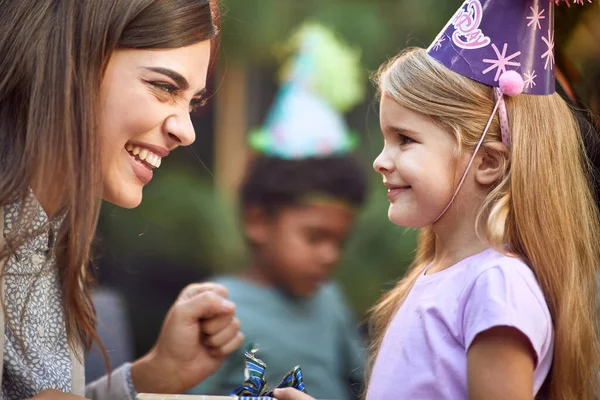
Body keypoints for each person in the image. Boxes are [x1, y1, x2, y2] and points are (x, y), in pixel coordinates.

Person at [274, 1, 600, 400]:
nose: (380, 160)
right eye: (385, 140)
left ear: (487, 161)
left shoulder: (496, 286)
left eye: (405, 140)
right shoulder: (438, 276)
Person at [0, 1, 243, 399]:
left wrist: (155, 376)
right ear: (70, 62)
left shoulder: (53, 228)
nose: (187, 131)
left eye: (193, 102)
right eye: (164, 87)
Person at [189, 23, 367, 400]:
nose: (330, 255)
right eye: (315, 236)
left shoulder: (329, 301)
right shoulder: (219, 307)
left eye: (339, 241)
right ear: (257, 220)